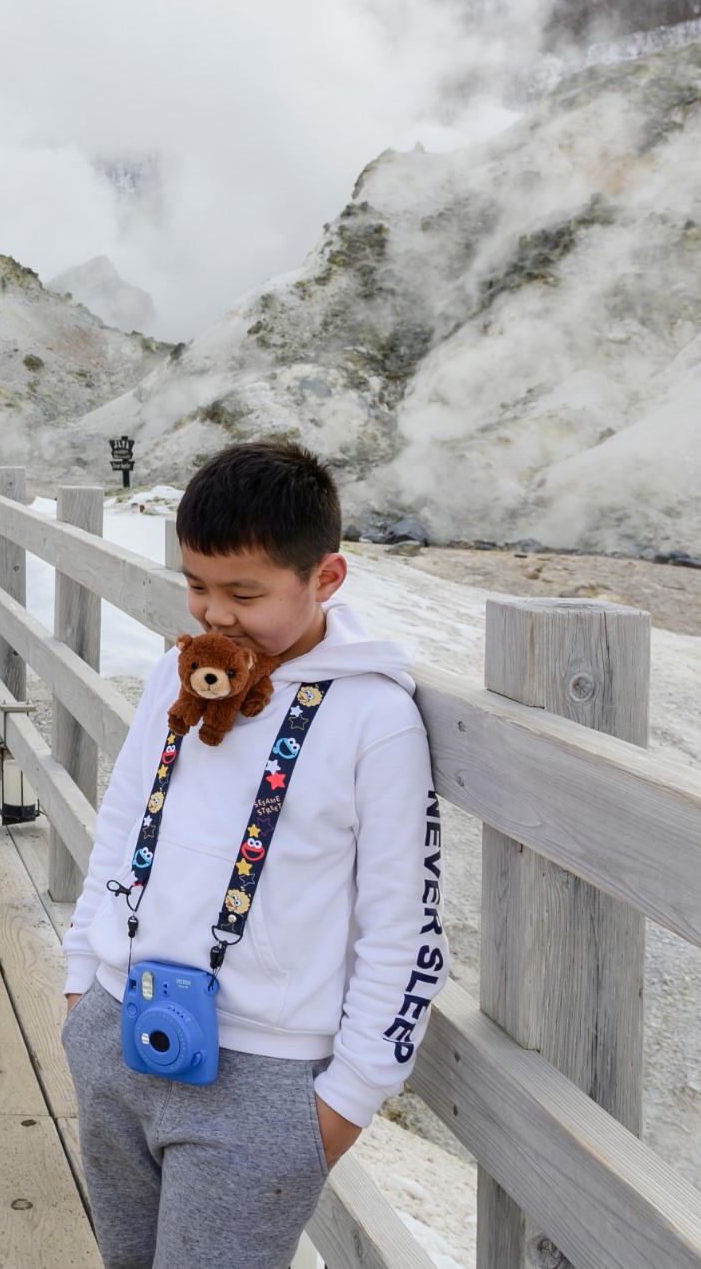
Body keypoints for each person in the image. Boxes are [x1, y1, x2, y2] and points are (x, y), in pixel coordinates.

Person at [61, 441, 445, 1269]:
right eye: (196, 585)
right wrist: (80, 981)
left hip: (264, 1081)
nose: (215, 614)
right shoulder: (178, 669)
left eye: (245, 592)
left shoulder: (374, 718)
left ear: (327, 579)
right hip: (117, 1030)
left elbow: (403, 926)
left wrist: (343, 1102)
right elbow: (125, 823)